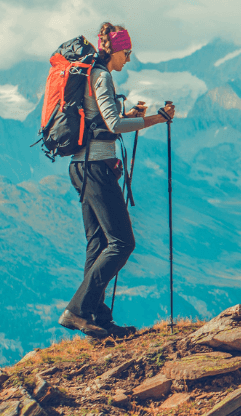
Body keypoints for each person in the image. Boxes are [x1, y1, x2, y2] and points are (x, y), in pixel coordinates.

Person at [58, 22, 176, 339]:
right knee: (122, 243)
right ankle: (78, 310)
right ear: (118, 49)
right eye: (128, 52)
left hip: (83, 167)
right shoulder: (102, 75)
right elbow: (112, 124)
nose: (129, 59)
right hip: (94, 168)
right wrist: (157, 118)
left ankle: (98, 317)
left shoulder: (93, 74)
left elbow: (103, 117)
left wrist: (131, 113)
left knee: (97, 245)